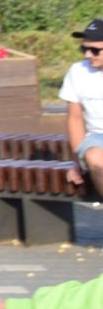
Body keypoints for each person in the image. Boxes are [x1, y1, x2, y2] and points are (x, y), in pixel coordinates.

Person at [60, 18, 103, 187]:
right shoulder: (78, 71)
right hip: (97, 138)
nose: (87, 55)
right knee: (94, 157)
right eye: (84, 49)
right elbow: (75, 119)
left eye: (94, 50)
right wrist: (77, 161)